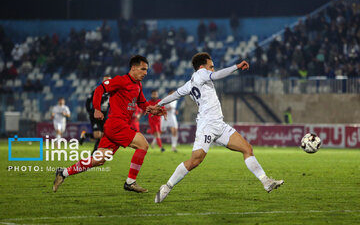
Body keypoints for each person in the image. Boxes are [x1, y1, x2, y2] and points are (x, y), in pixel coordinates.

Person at [150, 52, 284, 203]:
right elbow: (217, 75)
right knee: (195, 161)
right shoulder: (201, 74)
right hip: (207, 125)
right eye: (211, 67)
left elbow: (175, 94)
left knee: (247, 148)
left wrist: (158, 104)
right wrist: (237, 67)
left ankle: (265, 181)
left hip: (219, 125)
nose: (212, 70)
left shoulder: (190, 83)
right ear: (202, 67)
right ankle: (167, 186)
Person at [53, 55, 166, 193]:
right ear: (133, 68)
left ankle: (63, 173)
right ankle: (130, 182)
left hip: (117, 127)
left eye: (146, 70)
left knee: (98, 160)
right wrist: (97, 109)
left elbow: (142, 103)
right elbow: (99, 89)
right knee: (143, 145)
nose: (146, 73)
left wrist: (152, 109)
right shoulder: (120, 80)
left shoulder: (138, 85)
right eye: (143, 69)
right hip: (116, 124)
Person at [79, 75, 111, 155]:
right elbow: (88, 101)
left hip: (104, 116)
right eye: (105, 80)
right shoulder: (97, 90)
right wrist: (90, 111)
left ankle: (94, 150)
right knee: (97, 135)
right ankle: (93, 149)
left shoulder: (112, 92)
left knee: (103, 135)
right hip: (95, 116)